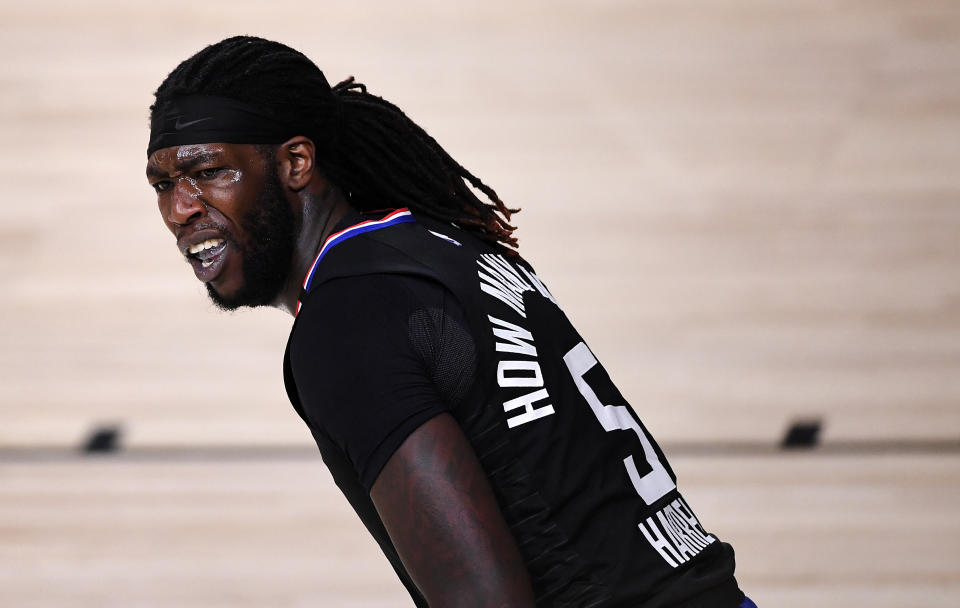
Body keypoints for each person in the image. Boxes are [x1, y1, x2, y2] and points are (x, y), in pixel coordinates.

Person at [145, 36, 753, 608]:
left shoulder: (347, 322)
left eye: (208, 172)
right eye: (164, 183)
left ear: (296, 162)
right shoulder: (437, 245)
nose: (180, 208)